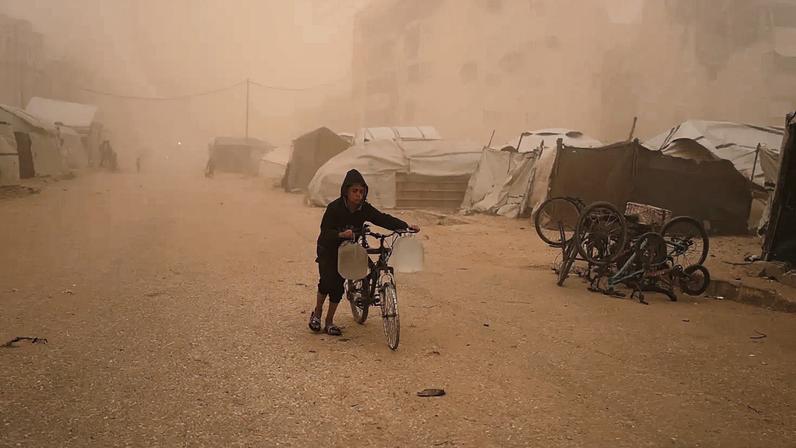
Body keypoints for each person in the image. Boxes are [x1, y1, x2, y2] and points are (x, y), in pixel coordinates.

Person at [310, 169, 420, 336]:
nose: (358, 195)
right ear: (346, 191)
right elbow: (325, 233)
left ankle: (329, 321)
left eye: (361, 191)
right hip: (329, 248)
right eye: (354, 191)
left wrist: (405, 226)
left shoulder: (364, 209)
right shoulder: (334, 208)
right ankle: (317, 314)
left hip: (347, 250)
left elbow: (382, 218)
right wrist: (340, 234)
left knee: (338, 286)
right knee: (326, 282)